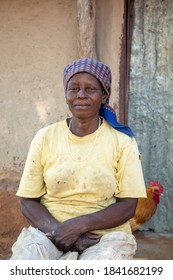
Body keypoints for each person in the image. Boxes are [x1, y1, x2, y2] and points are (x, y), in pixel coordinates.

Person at [10, 58, 146, 260]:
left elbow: (128, 205)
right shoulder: (45, 137)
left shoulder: (122, 142)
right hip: (50, 233)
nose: (81, 95)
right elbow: (28, 201)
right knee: (25, 265)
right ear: (66, 95)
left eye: (90, 89)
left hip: (104, 237)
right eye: (74, 88)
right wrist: (61, 232)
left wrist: (80, 225)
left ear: (104, 96)